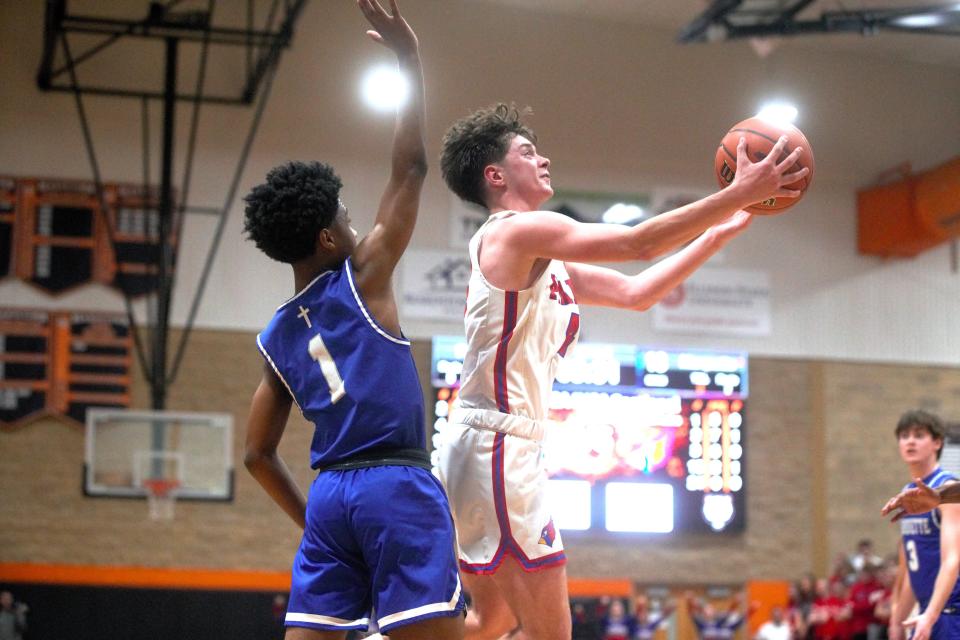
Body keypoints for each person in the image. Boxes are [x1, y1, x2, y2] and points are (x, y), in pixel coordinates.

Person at [436, 103, 808, 640]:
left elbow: (637, 294)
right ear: (495, 176)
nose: (542, 159)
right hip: (497, 445)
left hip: (487, 444)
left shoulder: (542, 256)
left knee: (490, 621)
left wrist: (717, 234)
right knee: (550, 633)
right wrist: (737, 191)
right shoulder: (515, 232)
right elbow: (638, 244)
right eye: (526, 152)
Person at [242, 1, 464, 638]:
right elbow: (413, 168)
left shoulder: (276, 338)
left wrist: (314, 522)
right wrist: (409, 60)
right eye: (344, 215)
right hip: (397, 485)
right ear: (327, 238)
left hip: (331, 499)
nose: (356, 222)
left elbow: (257, 455)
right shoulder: (364, 277)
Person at [885, 409, 960, 640]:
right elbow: (911, 568)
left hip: (950, 613)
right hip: (927, 613)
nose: (910, 441)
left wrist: (932, 613)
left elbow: (952, 559)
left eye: (918, 435)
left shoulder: (948, 488)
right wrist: (898, 619)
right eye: (904, 435)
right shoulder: (909, 494)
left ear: (937, 442)